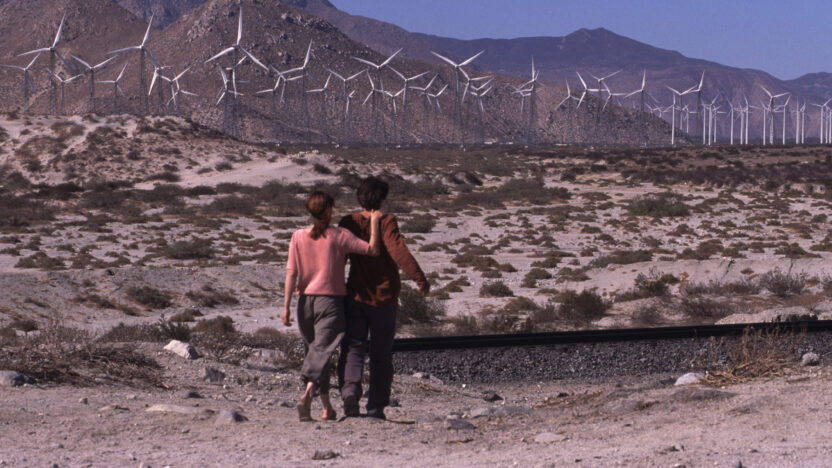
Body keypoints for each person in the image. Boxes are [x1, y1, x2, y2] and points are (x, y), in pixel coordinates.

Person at [283, 191, 382, 422]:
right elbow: (373, 250)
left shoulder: (297, 236)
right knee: (321, 351)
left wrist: (285, 306)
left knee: (318, 352)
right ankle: (308, 393)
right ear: (328, 211)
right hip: (330, 301)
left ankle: (326, 408)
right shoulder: (340, 236)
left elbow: (291, 273)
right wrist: (375, 222)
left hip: (304, 302)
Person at [338, 177, 430, 419]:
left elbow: (339, 256)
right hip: (384, 296)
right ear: (383, 198)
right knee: (381, 353)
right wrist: (419, 278)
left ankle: (349, 391)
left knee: (353, 347)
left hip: (355, 294)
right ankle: (376, 406)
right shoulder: (387, 221)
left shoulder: (348, 222)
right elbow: (398, 250)